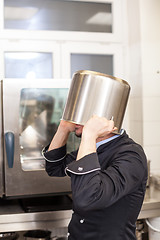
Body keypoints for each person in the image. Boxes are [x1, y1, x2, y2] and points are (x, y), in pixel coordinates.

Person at [42, 115, 148, 240]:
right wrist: (63, 128)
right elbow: (55, 167)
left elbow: (87, 199)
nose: (76, 119)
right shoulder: (95, 147)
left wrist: (89, 135)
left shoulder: (131, 155)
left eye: (83, 114)